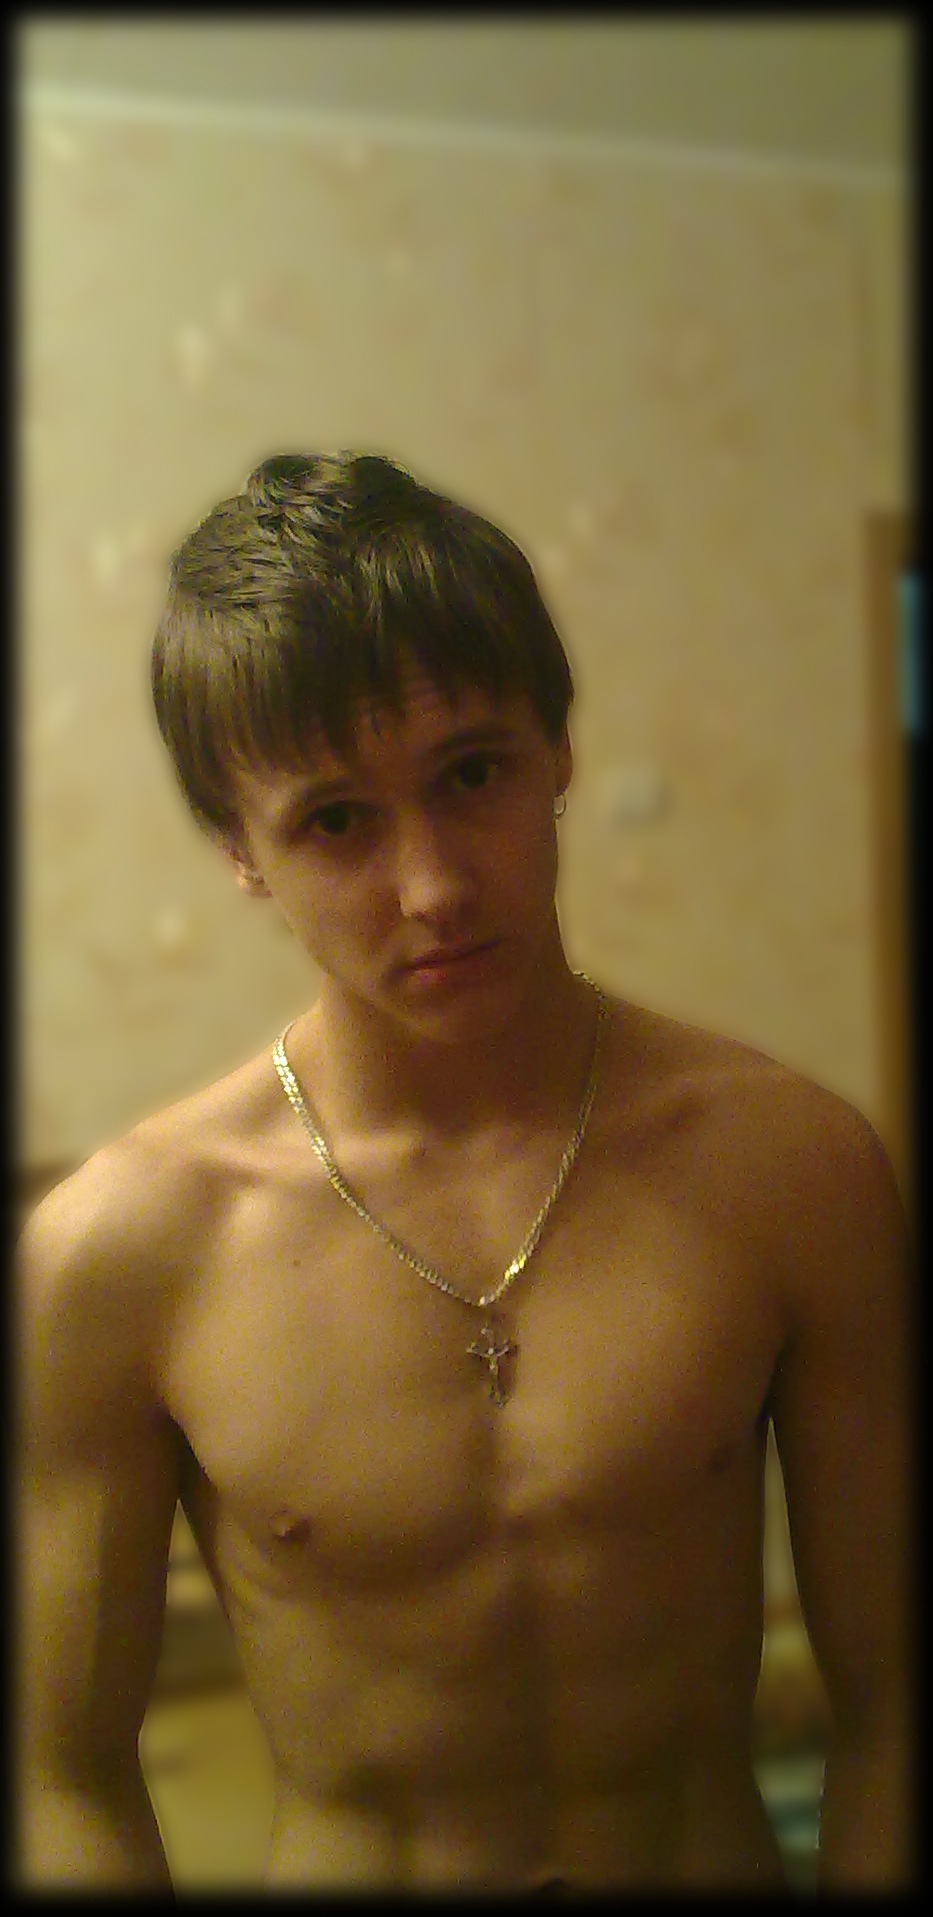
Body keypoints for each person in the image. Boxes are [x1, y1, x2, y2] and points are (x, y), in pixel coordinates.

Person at [17, 452, 913, 1892]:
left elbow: (893, 1710)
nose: (433, 886)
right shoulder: (127, 1249)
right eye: (335, 820)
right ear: (238, 848)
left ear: (558, 751)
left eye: (471, 774)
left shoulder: (791, 1169)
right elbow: (64, 1778)